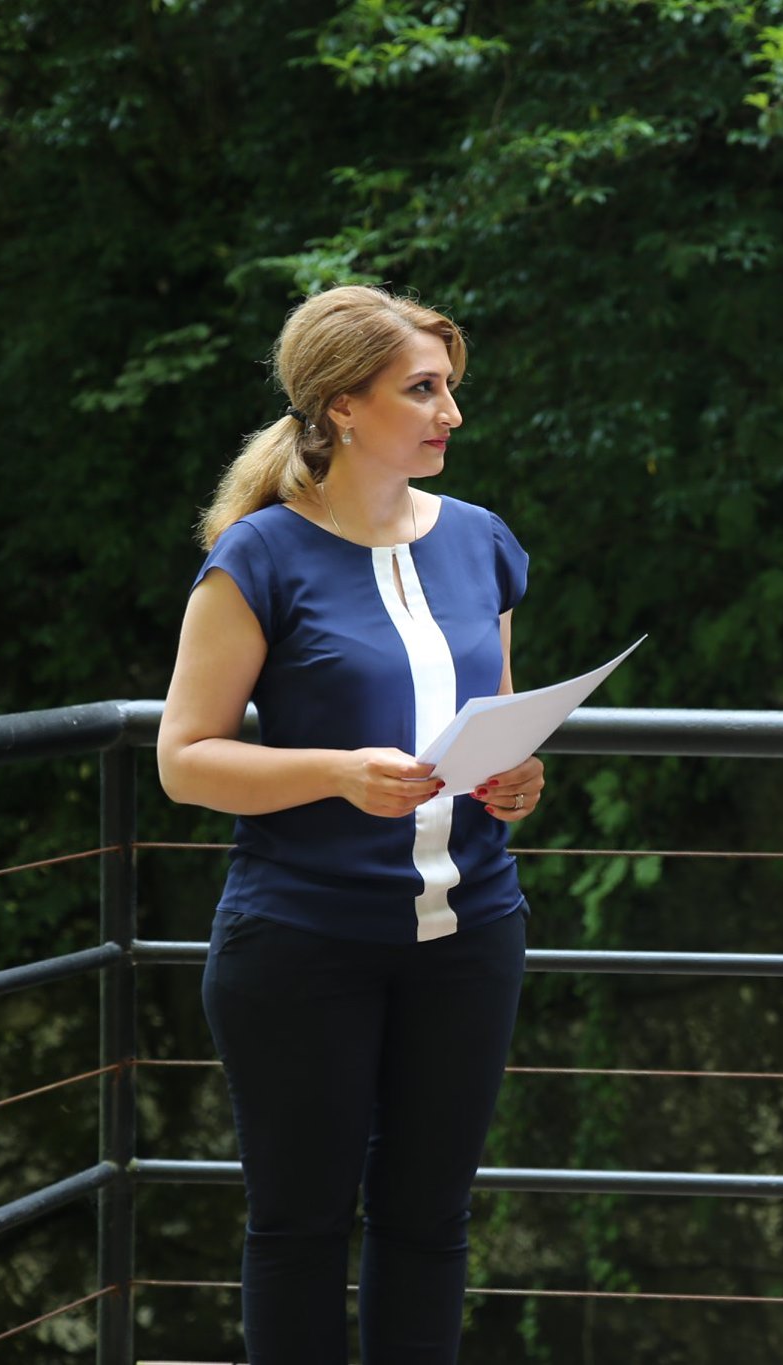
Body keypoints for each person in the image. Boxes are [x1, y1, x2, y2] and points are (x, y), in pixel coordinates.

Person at [156, 284, 545, 1364]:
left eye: (449, 389)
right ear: (340, 406)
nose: (449, 413)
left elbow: (496, 720)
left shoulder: (481, 541)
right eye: (422, 390)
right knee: (300, 1230)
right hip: (303, 942)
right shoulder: (260, 556)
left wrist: (516, 778)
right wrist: (336, 774)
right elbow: (184, 760)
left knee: (430, 1224)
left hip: (470, 934)